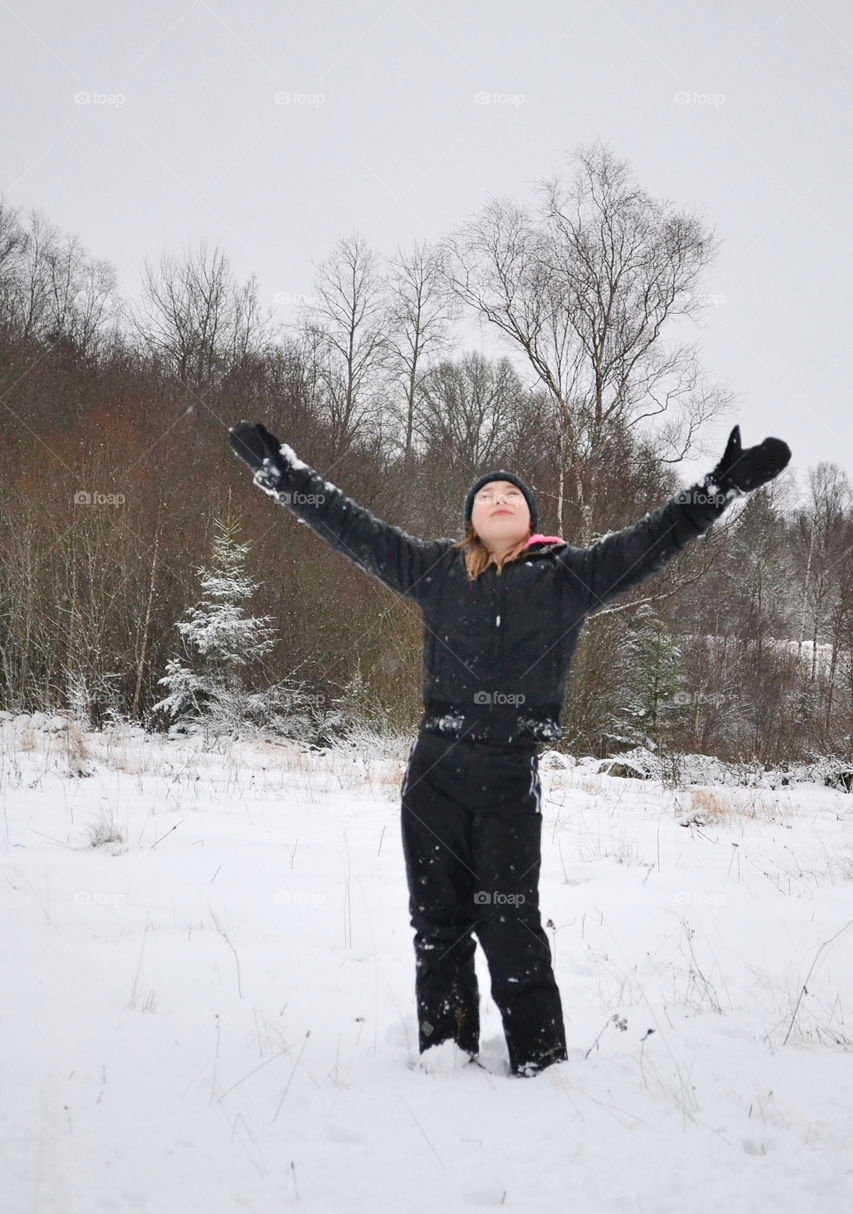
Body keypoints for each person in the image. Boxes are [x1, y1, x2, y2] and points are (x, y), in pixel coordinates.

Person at [229, 422, 791, 1076]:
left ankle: (541, 1061)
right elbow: (352, 528)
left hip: (507, 776)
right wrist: (285, 476)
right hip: (434, 771)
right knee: (436, 925)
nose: (499, 498)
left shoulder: (570, 577)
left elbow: (653, 539)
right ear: (470, 516)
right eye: (486, 494)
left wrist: (716, 489)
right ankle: (445, 1056)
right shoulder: (434, 571)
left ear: (530, 517)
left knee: (508, 922)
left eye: (512, 495)